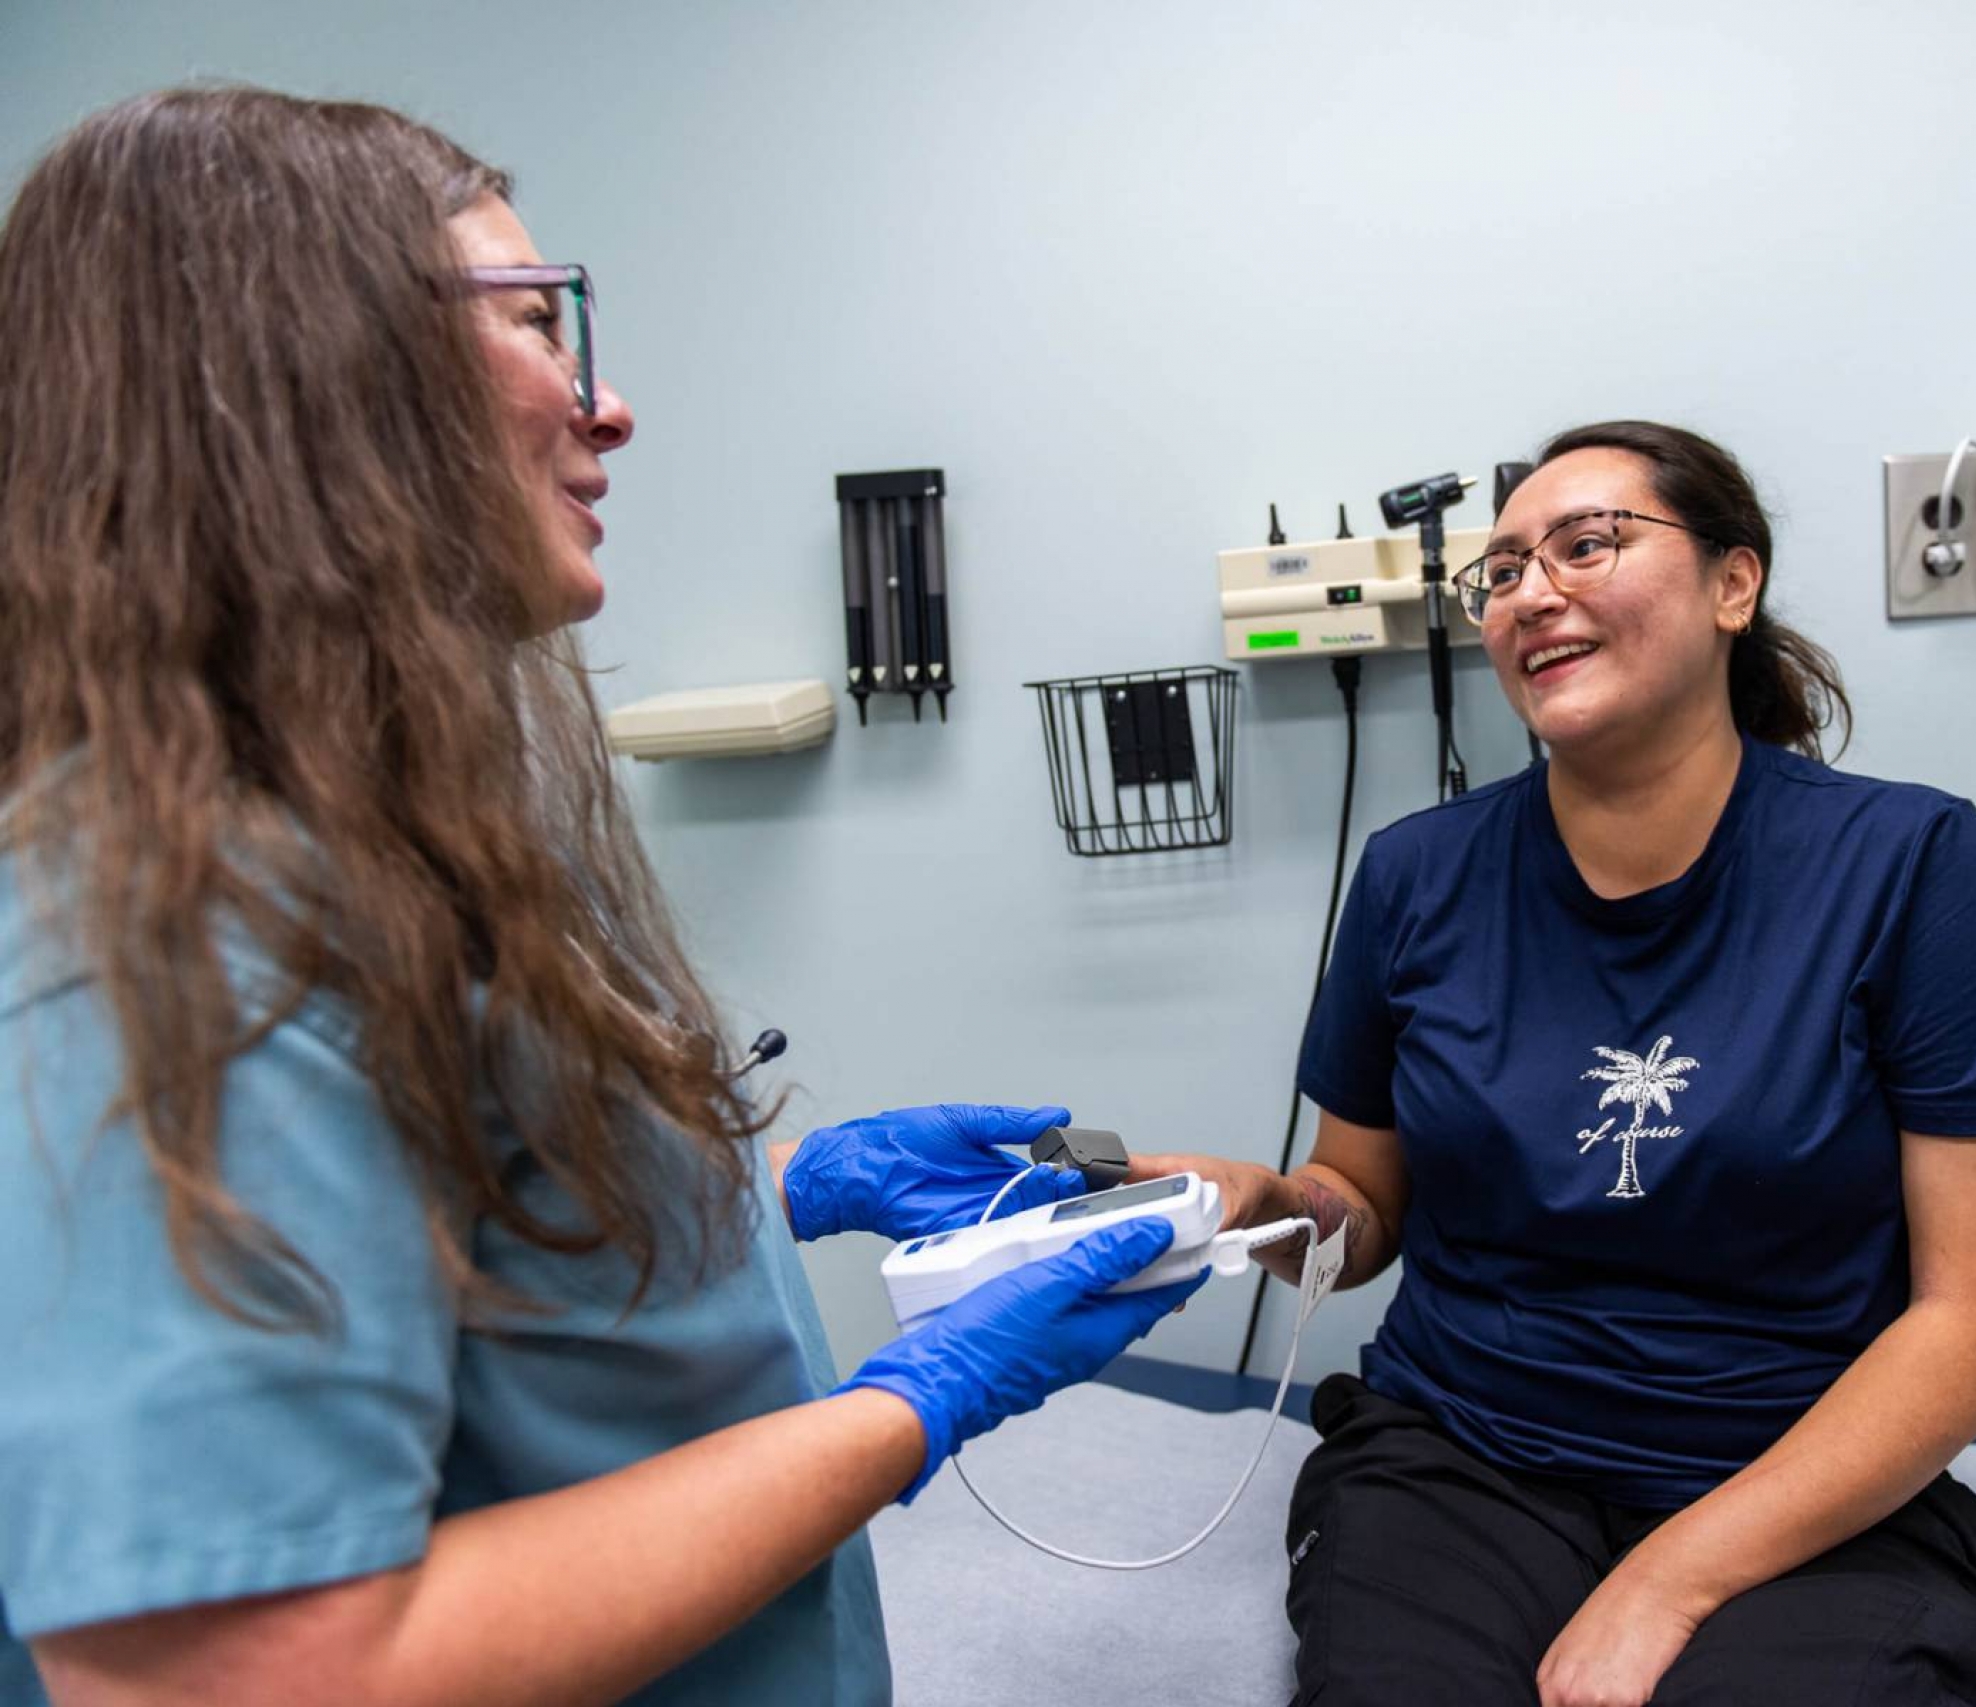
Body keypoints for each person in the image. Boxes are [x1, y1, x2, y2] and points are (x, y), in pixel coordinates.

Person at [0, 87, 1186, 1707]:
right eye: (535, 323)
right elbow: (242, 1675)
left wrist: (779, 1184)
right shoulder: (160, 924)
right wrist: (906, 1406)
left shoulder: (398, 826)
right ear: (309, 370)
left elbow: (433, 1219)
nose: (606, 406)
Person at [1132, 421, 1976, 1707]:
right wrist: (1269, 1211)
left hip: (1799, 1476)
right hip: (1463, 1459)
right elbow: (1364, 1207)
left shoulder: (1910, 867)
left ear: (1732, 584)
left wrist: (1668, 1580)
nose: (1531, 593)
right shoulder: (1414, 878)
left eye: (1587, 546)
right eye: (1503, 571)